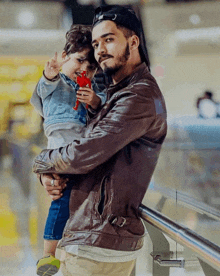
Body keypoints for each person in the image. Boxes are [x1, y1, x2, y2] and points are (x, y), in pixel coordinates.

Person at [32, 5, 167, 276]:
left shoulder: (137, 96)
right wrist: (51, 174)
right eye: (96, 43)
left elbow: (84, 154)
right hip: (87, 234)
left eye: (108, 39)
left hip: (98, 241)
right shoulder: (114, 93)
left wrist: (41, 162)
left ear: (133, 41)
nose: (100, 49)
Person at [30, 24, 106, 276]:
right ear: (65, 57)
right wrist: (49, 74)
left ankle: (73, 244)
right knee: (60, 202)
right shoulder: (56, 82)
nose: (85, 68)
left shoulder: (91, 89)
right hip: (60, 154)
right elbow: (44, 89)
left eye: (92, 66)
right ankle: (48, 255)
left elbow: (103, 111)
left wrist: (93, 100)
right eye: (80, 60)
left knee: (80, 200)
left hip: (82, 153)